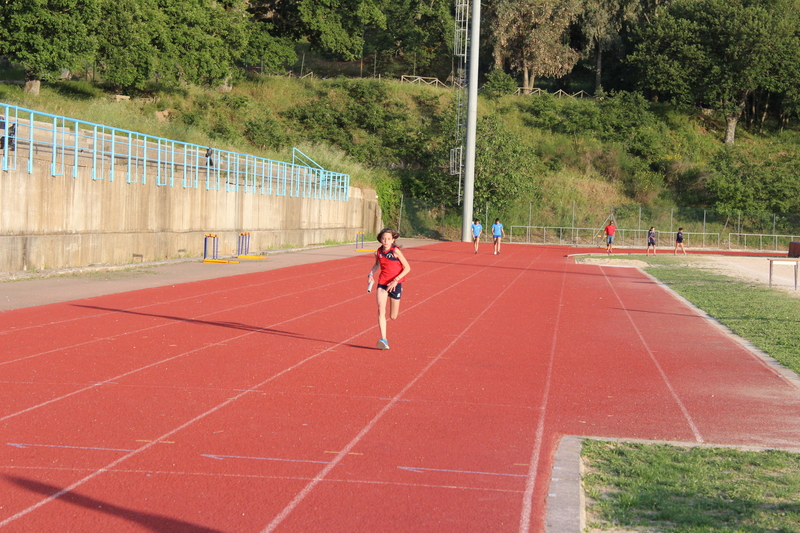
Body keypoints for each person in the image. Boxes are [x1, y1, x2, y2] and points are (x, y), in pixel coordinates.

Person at [368, 228, 411, 350]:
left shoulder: (396, 251)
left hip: (395, 283)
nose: (386, 241)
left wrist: (396, 280)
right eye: (384, 239)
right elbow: (377, 264)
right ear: (380, 240)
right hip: (383, 283)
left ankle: (398, 293)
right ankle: (384, 339)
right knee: (381, 309)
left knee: (393, 316)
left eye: (388, 239)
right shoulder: (379, 251)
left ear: (392, 240)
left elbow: (407, 268)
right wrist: (371, 274)